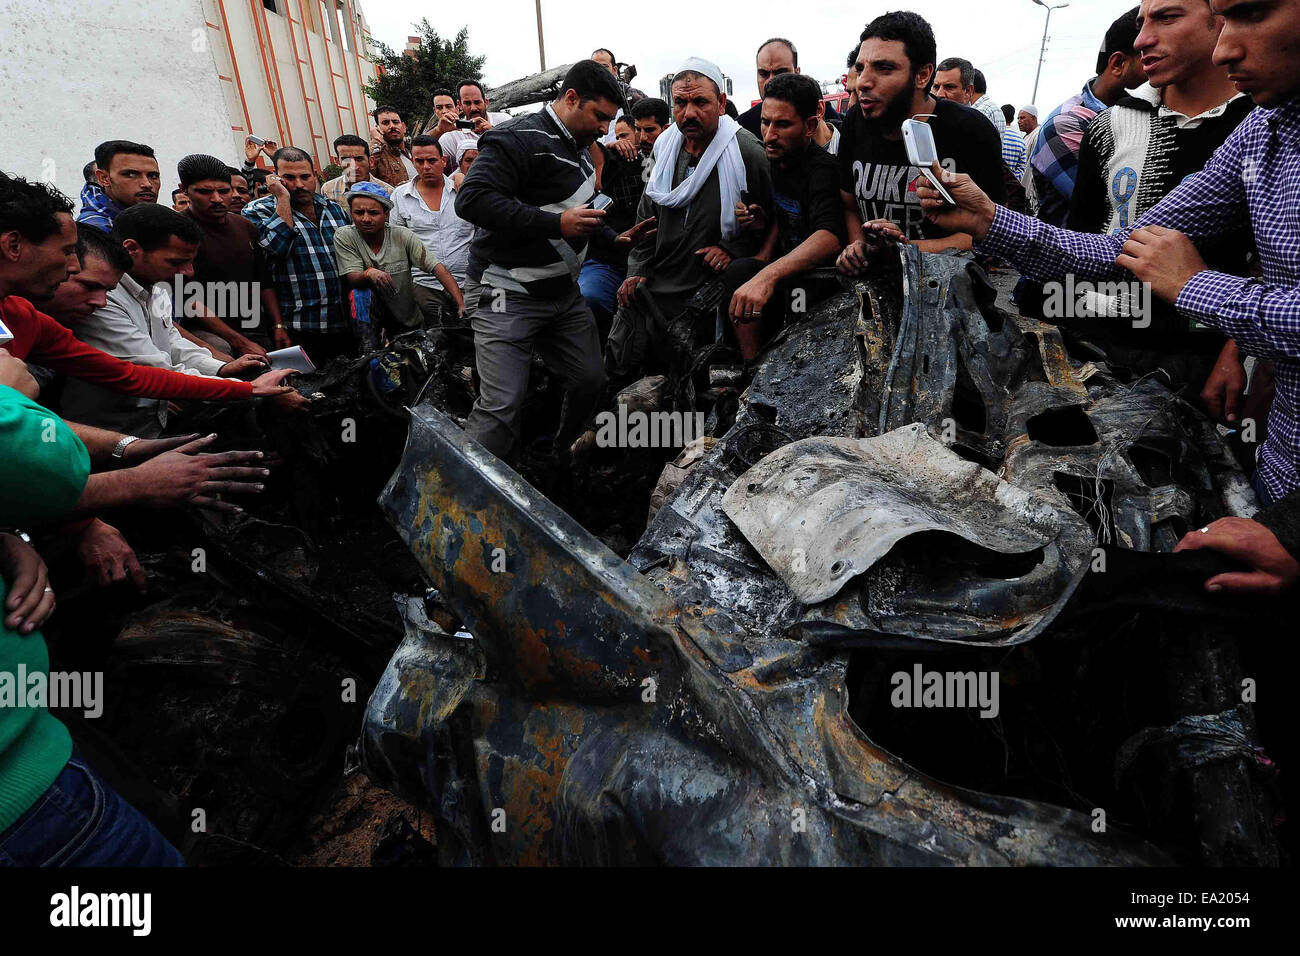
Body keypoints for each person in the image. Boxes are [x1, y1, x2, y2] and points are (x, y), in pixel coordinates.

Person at [914, 0, 1300, 510]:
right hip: (1278, 468)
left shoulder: (1248, 119)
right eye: (1225, 20)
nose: (1225, 47)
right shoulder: (1263, 132)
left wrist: (1197, 289)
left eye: (1251, 14)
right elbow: (1118, 250)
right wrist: (989, 220)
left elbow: (1183, 275)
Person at [455, 59, 655, 462]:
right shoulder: (516, 138)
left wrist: (614, 239)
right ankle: (456, 500)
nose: (604, 128)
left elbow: (574, 211)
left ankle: (556, 455)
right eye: (599, 116)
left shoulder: (579, 147)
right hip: (503, 291)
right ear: (570, 98)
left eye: (610, 120)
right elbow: (471, 200)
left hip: (562, 295)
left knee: (590, 379)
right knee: (500, 407)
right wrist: (554, 223)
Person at [1062, 0, 1255, 400]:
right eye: (1141, 22)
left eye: (1167, 18)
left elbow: (1279, 264)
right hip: (1099, 346)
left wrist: (1237, 351)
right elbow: (1080, 238)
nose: (1142, 39)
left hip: (1209, 367)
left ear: (1223, 17)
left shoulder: (1265, 122)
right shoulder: (1111, 123)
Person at [606, 58, 773, 379]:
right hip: (657, 287)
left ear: (721, 103)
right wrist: (637, 271)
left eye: (700, 102)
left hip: (709, 294)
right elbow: (647, 219)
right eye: (680, 103)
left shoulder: (746, 151)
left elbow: (772, 220)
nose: (689, 113)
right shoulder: (664, 149)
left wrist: (733, 249)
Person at [59, 205, 290, 436]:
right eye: (175, 262)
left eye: (190, 262)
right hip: (105, 432)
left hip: (152, 423)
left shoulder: (157, 288)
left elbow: (170, 340)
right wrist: (250, 389)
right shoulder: (102, 298)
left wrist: (221, 368)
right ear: (131, 248)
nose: (188, 272)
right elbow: (153, 369)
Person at [835, 11, 1006, 271]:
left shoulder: (971, 130)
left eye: (883, 68)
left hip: (947, 291)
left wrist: (904, 251)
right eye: (861, 68)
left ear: (923, 75)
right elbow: (849, 206)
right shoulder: (855, 121)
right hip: (871, 285)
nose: (863, 82)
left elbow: (988, 231)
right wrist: (857, 245)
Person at [725, 73, 846, 361]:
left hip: (821, 282)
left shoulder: (823, 171)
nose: (769, 135)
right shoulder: (779, 159)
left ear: (809, 126)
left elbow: (829, 236)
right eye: (766, 122)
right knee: (739, 272)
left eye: (782, 125)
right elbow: (786, 215)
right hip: (787, 273)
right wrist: (763, 255)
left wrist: (768, 275)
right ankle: (749, 368)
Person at [1030, 6, 1144, 226]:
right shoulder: (1068, 124)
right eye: (1148, 59)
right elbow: (1118, 215)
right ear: (1119, 63)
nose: (1158, 74)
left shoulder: (1138, 116)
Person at [241, 147, 350, 364]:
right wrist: (282, 197)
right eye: (289, 178)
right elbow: (279, 247)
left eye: (305, 177)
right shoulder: (257, 211)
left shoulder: (334, 209)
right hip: (297, 326)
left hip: (344, 323)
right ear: (276, 179)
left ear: (315, 176)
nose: (299, 185)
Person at [334, 181, 463, 337]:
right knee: (360, 295)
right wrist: (369, 273)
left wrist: (460, 303)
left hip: (406, 319)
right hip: (370, 322)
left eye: (373, 213)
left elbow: (436, 268)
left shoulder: (401, 235)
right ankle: (369, 347)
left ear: (386, 214)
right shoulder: (345, 236)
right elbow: (352, 277)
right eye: (359, 213)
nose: (366, 219)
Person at [176, 153, 273, 357]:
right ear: (184, 190)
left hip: (255, 326)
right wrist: (238, 341)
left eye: (223, 191)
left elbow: (262, 280)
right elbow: (187, 298)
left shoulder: (244, 226)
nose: (217, 199)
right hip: (211, 336)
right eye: (205, 192)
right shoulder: (176, 233)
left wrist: (279, 325)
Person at [391, 135, 476, 323]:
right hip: (425, 286)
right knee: (437, 341)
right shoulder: (400, 196)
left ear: (443, 161)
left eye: (432, 160)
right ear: (413, 162)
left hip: (468, 282)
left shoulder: (462, 190)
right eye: (419, 161)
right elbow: (397, 244)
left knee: (474, 338)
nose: (426, 166)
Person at [933, 57, 1028, 178]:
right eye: (936, 87)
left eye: (949, 87)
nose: (939, 94)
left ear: (968, 91)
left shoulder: (978, 124)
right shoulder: (927, 122)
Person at [737, 38, 840, 139]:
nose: (771, 81)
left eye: (780, 73)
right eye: (764, 74)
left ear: (797, 72)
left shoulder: (831, 120)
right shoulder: (743, 128)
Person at [77, 141, 159, 232]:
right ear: (104, 178)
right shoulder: (96, 230)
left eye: (154, 176)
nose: (147, 184)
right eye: (131, 175)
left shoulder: (147, 220)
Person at [438, 80, 512, 173]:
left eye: (477, 102)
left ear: (486, 102)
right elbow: (434, 165)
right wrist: (439, 130)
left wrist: (494, 132)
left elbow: (519, 150)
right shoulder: (452, 136)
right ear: (460, 105)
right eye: (467, 103)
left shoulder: (504, 121)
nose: (473, 108)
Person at [322, 134, 394, 205]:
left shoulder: (388, 192)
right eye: (346, 160)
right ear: (338, 162)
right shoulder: (328, 190)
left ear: (371, 161)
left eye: (359, 159)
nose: (354, 166)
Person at [369, 105, 416, 188]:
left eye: (395, 122)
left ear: (404, 127)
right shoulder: (378, 156)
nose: (392, 126)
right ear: (377, 129)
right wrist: (376, 142)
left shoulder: (414, 152)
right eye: (385, 123)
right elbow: (363, 175)